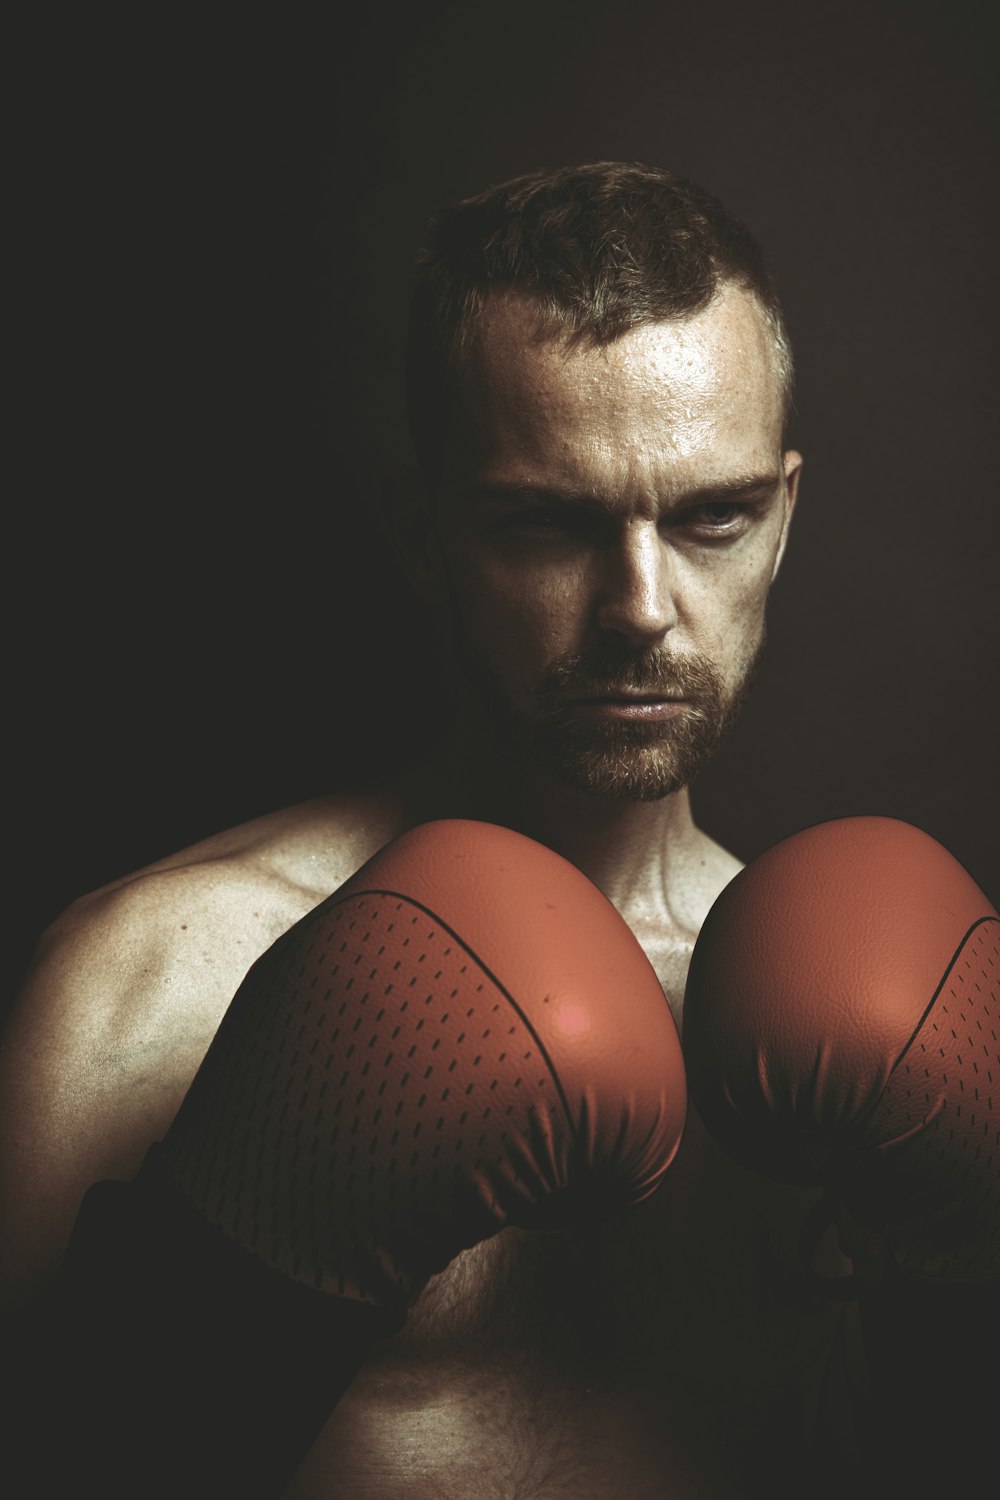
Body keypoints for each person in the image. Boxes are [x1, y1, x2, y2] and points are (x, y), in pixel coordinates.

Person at [0, 161, 947, 1497]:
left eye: (711, 518)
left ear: (783, 520)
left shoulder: (903, 1040)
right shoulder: (155, 990)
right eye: (548, 523)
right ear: (425, 534)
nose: (641, 607)